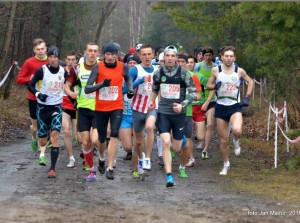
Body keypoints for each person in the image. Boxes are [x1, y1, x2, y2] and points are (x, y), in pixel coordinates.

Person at [148, 45, 197, 187]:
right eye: (167, 56)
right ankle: (169, 176)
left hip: (179, 114)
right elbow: (155, 88)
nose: (169, 58)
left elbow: (193, 93)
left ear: (176, 58)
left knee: (176, 147)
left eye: (172, 56)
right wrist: (151, 102)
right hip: (163, 112)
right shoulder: (158, 73)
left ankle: (179, 142)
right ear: (163, 58)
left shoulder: (184, 73)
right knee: (165, 141)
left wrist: (183, 104)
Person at [85, 42, 133, 180]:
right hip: (101, 108)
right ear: (104, 55)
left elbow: (128, 78)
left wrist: (130, 90)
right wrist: (101, 85)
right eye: (107, 54)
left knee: (114, 134)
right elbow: (88, 88)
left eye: (112, 54)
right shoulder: (97, 67)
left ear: (117, 54)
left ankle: (110, 167)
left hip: (116, 106)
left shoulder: (122, 66)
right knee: (101, 139)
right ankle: (101, 158)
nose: (110, 57)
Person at [206, 46, 254, 175]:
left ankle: (236, 141)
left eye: (231, 56)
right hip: (221, 107)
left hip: (235, 106)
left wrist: (247, 97)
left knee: (237, 130)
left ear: (234, 58)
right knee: (223, 140)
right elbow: (208, 85)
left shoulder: (239, 71)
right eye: (226, 56)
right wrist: (214, 86)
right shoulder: (216, 70)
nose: (228, 58)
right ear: (222, 57)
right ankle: (226, 164)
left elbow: (250, 82)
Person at [27, 46, 68, 178]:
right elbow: (30, 85)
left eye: (55, 57)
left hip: (56, 107)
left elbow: (69, 84)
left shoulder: (63, 71)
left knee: (55, 135)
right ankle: (42, 142)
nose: (52, 59)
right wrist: (38, 94)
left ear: (58, 58)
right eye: (50, 57)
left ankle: (52, 169)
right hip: (42, 108)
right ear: (48, 57)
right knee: (43, 141)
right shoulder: (42, 70)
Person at [64, 42, 102, 182]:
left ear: (98, 53)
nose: (92, 53)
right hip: (83, 109)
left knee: (95, 139)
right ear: (85, 51)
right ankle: (91, 169)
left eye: (95, 51)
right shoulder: (77, 68)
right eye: (90, 50)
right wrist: (70, 93)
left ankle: (103, 157)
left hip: (99, 109)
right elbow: (67, 86)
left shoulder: (102, 67)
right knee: (84, 141)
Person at [16, 38, 48, 157]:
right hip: (33, 97)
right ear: (34, 50)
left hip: (48, 98)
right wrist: (30, 78)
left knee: (45, 124)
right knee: (35, 127)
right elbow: (19, 79)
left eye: (42, 49)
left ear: (46, 49)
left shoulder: (51, 61)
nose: (40, 51)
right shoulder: (29, 62)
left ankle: (42, 145)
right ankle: (34, 138)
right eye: (38, 49)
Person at [130, 44, 158, 178]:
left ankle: (147, 158)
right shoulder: (135, 70)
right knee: (139, 142)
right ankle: (139, 160)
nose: (147, 57)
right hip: (137, 108)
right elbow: (126, 89)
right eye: (144, 54)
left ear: (153, 55)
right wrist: (139, 82)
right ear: (140, 56)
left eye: (149, 54)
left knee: (150, 127)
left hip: (152, 107)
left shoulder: (158, 70)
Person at [176, 54, 201, 178]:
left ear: (186, 64)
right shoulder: (171, 75)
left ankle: (190, 158)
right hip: (172, 112)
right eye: (178, 61)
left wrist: (189, 98)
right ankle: (171, 152)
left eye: (182, 62)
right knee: (173, 136)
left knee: (188, 137)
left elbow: (198, 95)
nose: (180, 63)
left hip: (187, 112)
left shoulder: (193, 76)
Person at [193, 47, 216, 160]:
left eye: (209, 55)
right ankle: (200, 139)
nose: (207, 57)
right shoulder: (198, 66)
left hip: (212, 99)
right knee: (200, 124)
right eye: (205, 55)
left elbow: (216, 85)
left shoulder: (216, 67)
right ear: (202, 56)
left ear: (212, 56)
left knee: (210, 124)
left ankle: (205, 150)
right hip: (199, 99)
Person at [119, 54, 140, 161]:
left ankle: (138, 161)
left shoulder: (142, 75)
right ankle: (129, 152)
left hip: (138, 114)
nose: (132, 64)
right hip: (125, 115)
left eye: (134, 63)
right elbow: (122, 90)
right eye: (130, 62)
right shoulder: (122, 77)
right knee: (127, 146)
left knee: (139, 143)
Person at [62, 51, 78, 168]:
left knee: (77, 137)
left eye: (73, 59)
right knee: (66, 131)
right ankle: (71, 158)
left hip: (77, 106)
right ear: (65, 60)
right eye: (69, 59)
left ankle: (87, 153)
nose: (71, 61)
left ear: (76, 61)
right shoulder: (60, 70)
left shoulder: (79, 71)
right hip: (64, 105)